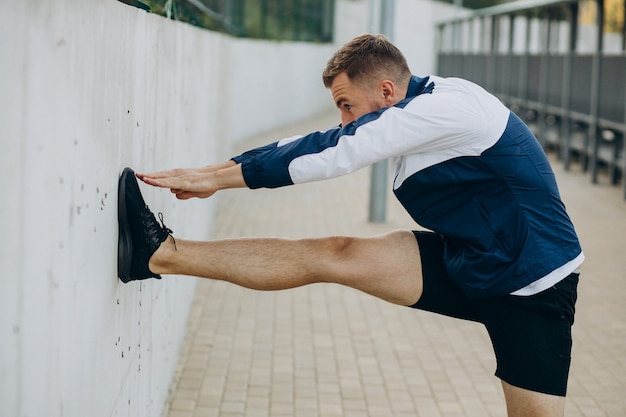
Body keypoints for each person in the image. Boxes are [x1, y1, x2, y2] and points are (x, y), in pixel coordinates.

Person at [117, 34, 583, 417]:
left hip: (535, 284)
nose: (343, 119)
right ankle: (160, 254)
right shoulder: (407, 104)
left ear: (385, 90)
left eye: (346, 105)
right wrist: (215, 172)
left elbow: (338, 153)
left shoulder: (449, 108)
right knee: (336, 253)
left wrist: (220, 182)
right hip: (469, 258)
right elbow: (319, 139)